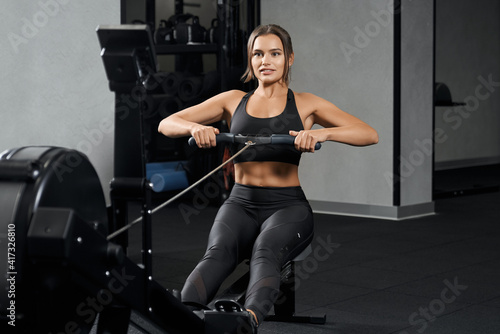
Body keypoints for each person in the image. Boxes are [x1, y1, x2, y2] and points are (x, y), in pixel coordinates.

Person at [158, 24, 378, 331]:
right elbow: (168, 123)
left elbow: (368, 133)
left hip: (288, 207)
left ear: (289, 58)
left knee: (266, 251)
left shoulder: (305, 103)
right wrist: (194, 128)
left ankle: (247, 322)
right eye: (258, 54)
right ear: (250, 59)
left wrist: (321, 133)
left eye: (274, 53)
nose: (266, 60)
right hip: (240, 203)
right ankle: (184, 317)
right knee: (218, 254)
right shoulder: (232, 100)